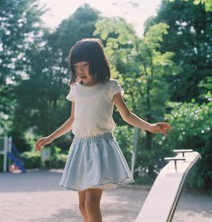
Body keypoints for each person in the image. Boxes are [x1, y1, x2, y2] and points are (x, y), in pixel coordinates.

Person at [35, 38, 172, 222]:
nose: (80, 71)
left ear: (97, 63)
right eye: (76, 66)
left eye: (84, 65)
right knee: (83, 206)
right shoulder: (76, 88)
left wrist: (149, 126)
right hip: (80, 147)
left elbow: (126, 114)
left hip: (100, 148)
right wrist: (50, 137)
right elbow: (73, 119)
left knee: (92, 203)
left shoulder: (110, 86)